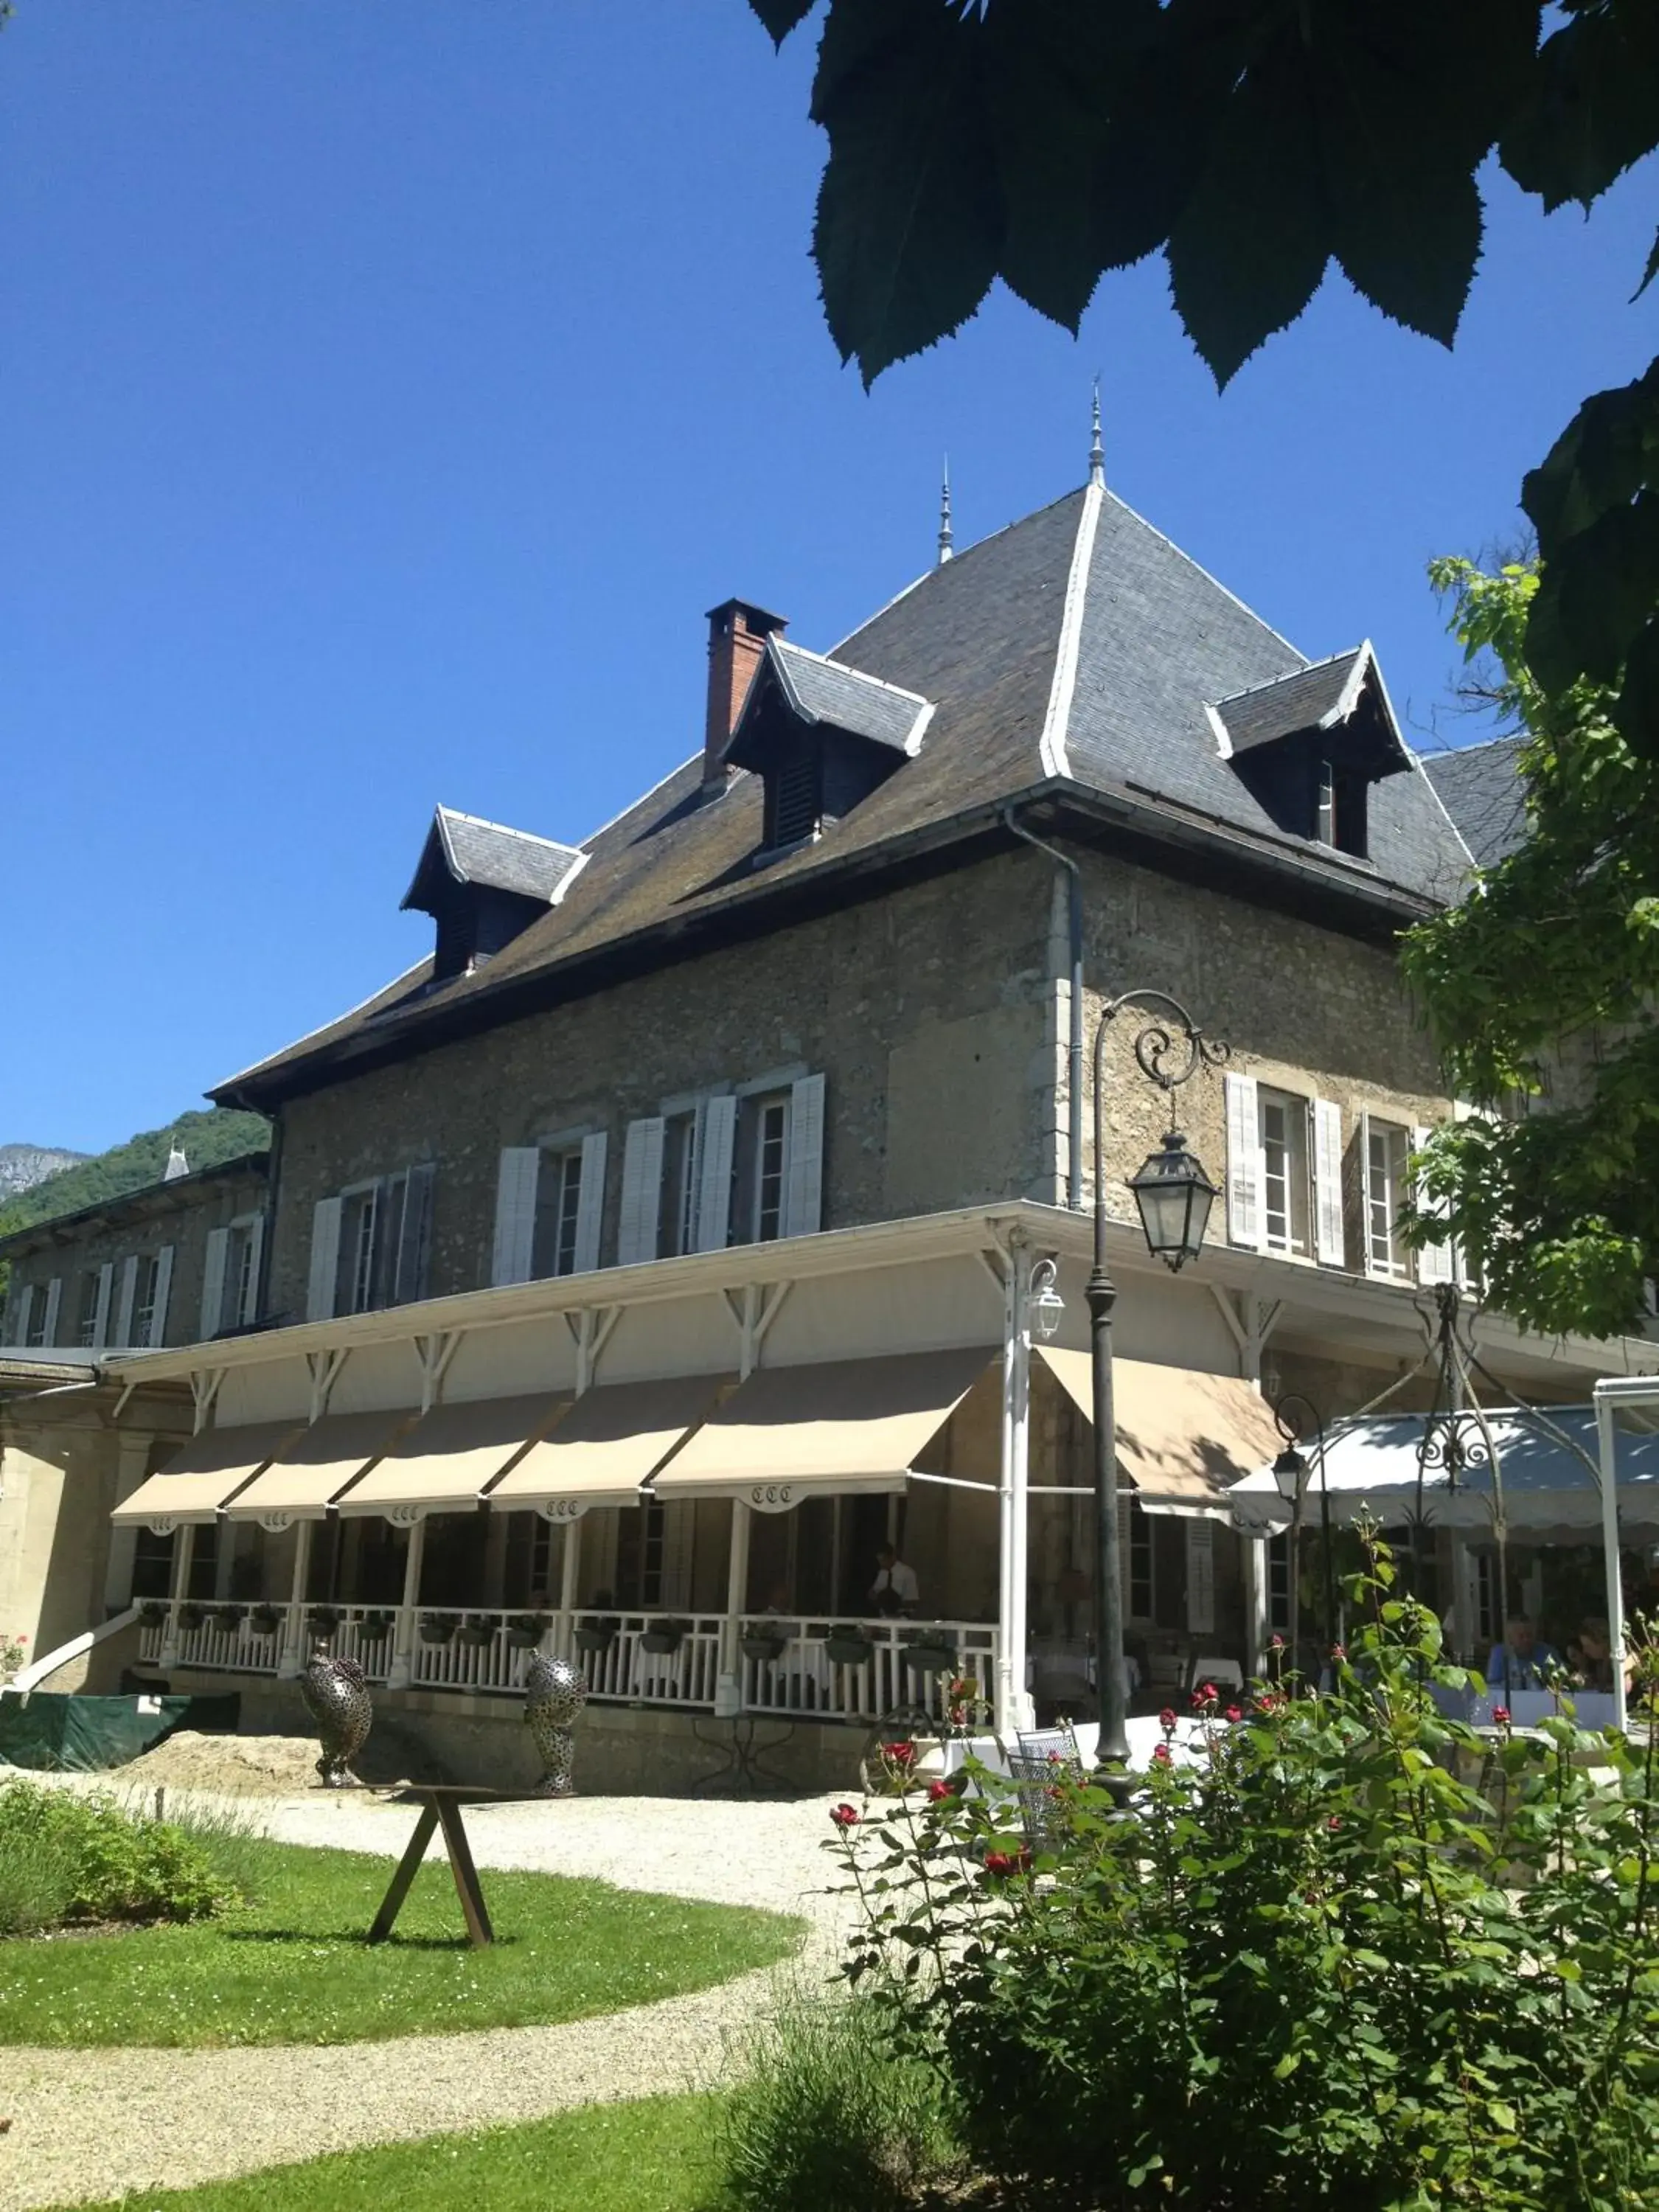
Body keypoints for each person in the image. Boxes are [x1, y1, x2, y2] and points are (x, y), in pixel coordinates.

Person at [1483, 1615, 1562, 1697]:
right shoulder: (1499, 1653)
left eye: (1529, 1635)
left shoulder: (1548, 1653)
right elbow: (1492, 1687)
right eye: (1521, 1636)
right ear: (1510, 1638)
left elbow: (1560, 1683)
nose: (1526, 1639)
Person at [867, 1545, 919, 1616]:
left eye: (884, 1560)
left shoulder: (907, 1573)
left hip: (901, 1618)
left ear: (893, 1556)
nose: (882, 1564)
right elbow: (874, 1591)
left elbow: (912, 1600)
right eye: (879, 1561)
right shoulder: (882, 1573)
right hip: (883, 1617)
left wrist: (895, 1604)